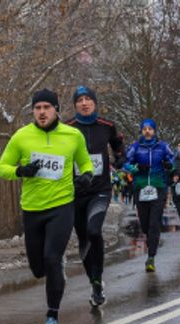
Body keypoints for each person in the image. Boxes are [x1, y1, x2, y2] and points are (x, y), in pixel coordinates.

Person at [0, 89, 93, 324]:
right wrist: (21, 171)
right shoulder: (21, 136)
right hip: (32, 209)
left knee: (52, 258)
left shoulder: (72, 135)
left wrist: (87, 176)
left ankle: (52, 317)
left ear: (56, 109)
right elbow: (1, 168)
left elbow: (85, 162)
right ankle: (54, 269)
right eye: (37, 108)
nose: (41, 112)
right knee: (38, 269)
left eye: (46, 108)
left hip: (62, 206)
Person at [66, 86, 126, 307]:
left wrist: (119, 160)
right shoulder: (67, 128)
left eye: (88, 99)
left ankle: (98, 277)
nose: (84, 103)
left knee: (94, 230)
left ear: (94, 103)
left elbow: (119, 149)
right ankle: (94, 283)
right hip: (76, 191)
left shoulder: (107, 126)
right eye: (80, 100)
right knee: (83, 238)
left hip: (100, 189)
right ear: (75, 105)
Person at [124, 118, 173, 272]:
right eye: (144, 129)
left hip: (158, 186)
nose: (147, 131)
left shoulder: (162, 146)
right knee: (145, 223)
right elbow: (126, 163)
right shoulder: (136, 147)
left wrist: (168, 165)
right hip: (141, 187)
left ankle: (151, 257)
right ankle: (150, 238)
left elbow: (172, 160)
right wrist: (134, 168)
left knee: (154, 222)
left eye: (150, 129)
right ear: (141, 131)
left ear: (154, 131)